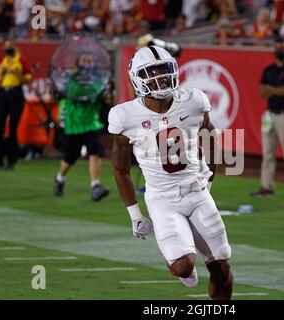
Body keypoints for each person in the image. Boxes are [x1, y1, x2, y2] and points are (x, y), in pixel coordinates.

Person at [108, 46, 233, 299]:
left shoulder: (194, 101)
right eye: (152, 72)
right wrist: (134, 214)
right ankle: (187, 271)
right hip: (162, 198)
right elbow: (121, 169)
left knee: (221, 269)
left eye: (164, 70)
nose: (161, 77)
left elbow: (209, 135)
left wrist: (210, 175)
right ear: (137, 78)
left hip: (196, 190)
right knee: (182, 265)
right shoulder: (125, 116)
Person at [53, 53, 110, 202]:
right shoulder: (69, 77)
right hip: (74, 123)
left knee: (95, 151)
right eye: (84, 60)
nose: (87, 63)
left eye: (90, 60)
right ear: (78, 62)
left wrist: (106, 91)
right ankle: (59, 178)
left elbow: (106, 98)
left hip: (91, 121)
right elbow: (68, 93)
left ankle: (95, 186)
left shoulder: (98, 79)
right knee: (71, 157)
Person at [251, 37, 284, 199]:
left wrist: (270, 89)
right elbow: (261, 92)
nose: (278, 50)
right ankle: (267, 187)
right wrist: (276, 90)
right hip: (270, 114)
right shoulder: (268, 70)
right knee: (267, 153)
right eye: (276, 47)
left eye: (282, 47)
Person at [0, 38, 32, 170]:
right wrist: (2, 74)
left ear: (15, 47)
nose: (7, 49)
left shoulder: (21, 61)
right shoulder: (1, 61)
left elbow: (27, 81)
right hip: (2, 92)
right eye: (5, 46)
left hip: (15, 93)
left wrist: (17, 73)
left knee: (13, 127)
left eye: (10, 46)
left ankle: (11, 160)